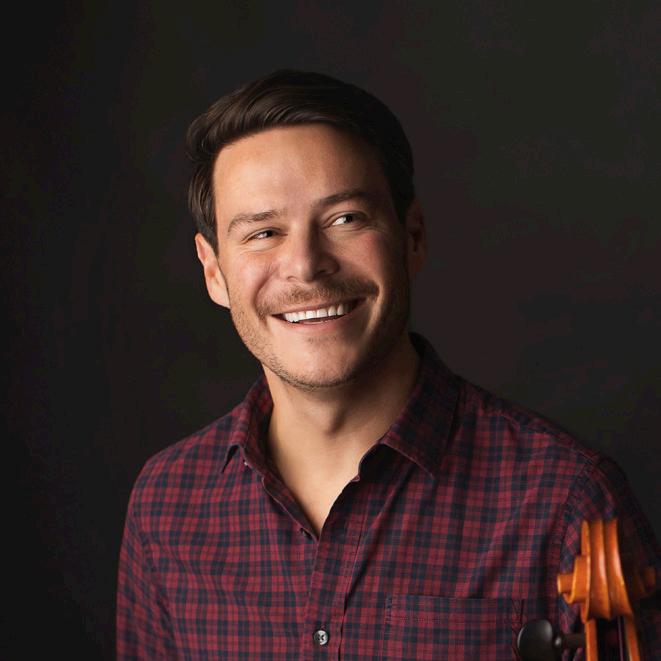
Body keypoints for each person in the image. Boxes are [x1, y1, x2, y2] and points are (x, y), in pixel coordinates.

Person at [117, 70, 659, 659]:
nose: (306, 265)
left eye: (345, 219)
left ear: (413, 236)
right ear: (213, 272)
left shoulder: (567, 499)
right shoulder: (166, 503)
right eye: (263, 232)